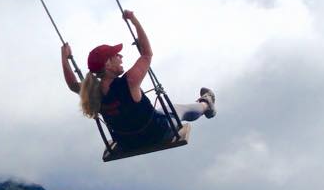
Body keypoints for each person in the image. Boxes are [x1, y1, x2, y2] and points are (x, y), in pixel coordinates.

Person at [60, 10, 216, 153]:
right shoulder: (129, 80)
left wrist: (64, 57)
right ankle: (206, 104)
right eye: (116, 55)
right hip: (158, 134)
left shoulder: (93, 92)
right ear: (107, 64)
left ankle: (204, 103)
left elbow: (72, 84)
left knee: (161, 111)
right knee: (178, 109)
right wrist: (134, 21)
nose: (120, 56)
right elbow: (147, 54)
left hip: (127, 143)